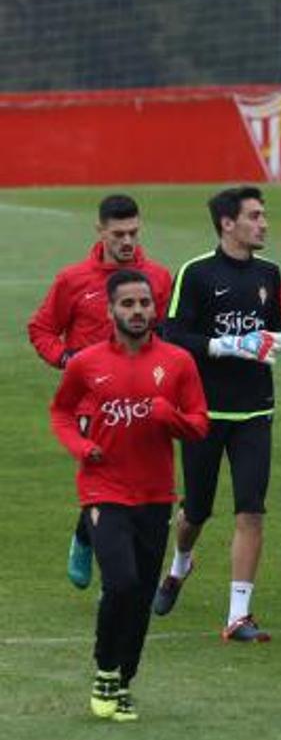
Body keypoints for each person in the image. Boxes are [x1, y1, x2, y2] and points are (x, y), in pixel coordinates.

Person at [51, 269, 209, 721]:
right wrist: (82, 447)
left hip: (156, 494)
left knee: (139, 592)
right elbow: (62, 411)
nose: (138, 311)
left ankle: (124, 680)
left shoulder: (178, 362)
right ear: (110, 310)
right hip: (104, 489)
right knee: (119, 581)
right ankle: (104, 669)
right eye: (128, 304)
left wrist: (170, 418)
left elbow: (199, 424)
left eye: (144, 304)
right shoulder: (87, 363)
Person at [154, 186, 281, 642]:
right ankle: (182, 562)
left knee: (251, 510)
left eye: (263, 215)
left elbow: (269, 330)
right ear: (228, 223)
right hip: (203, 411)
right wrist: (222, 346)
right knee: (196, 511)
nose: (264, 223)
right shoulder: (197, 274)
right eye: (255, 216)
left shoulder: (269, 272)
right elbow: (172, 333)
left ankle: (238, 616)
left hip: (254, 410)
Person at [28, 194, 173, 590]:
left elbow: (166, 334)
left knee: (138, 481)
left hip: (143, 400)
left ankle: (93, 537)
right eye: (119, 234)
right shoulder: (73, 280)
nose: (128, 241)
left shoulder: (158, 278)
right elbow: (41, 329)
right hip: (91, 404)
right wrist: (65, 359)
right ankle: (89, 540)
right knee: (103, 475)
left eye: (134, 233)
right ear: (101, 231)